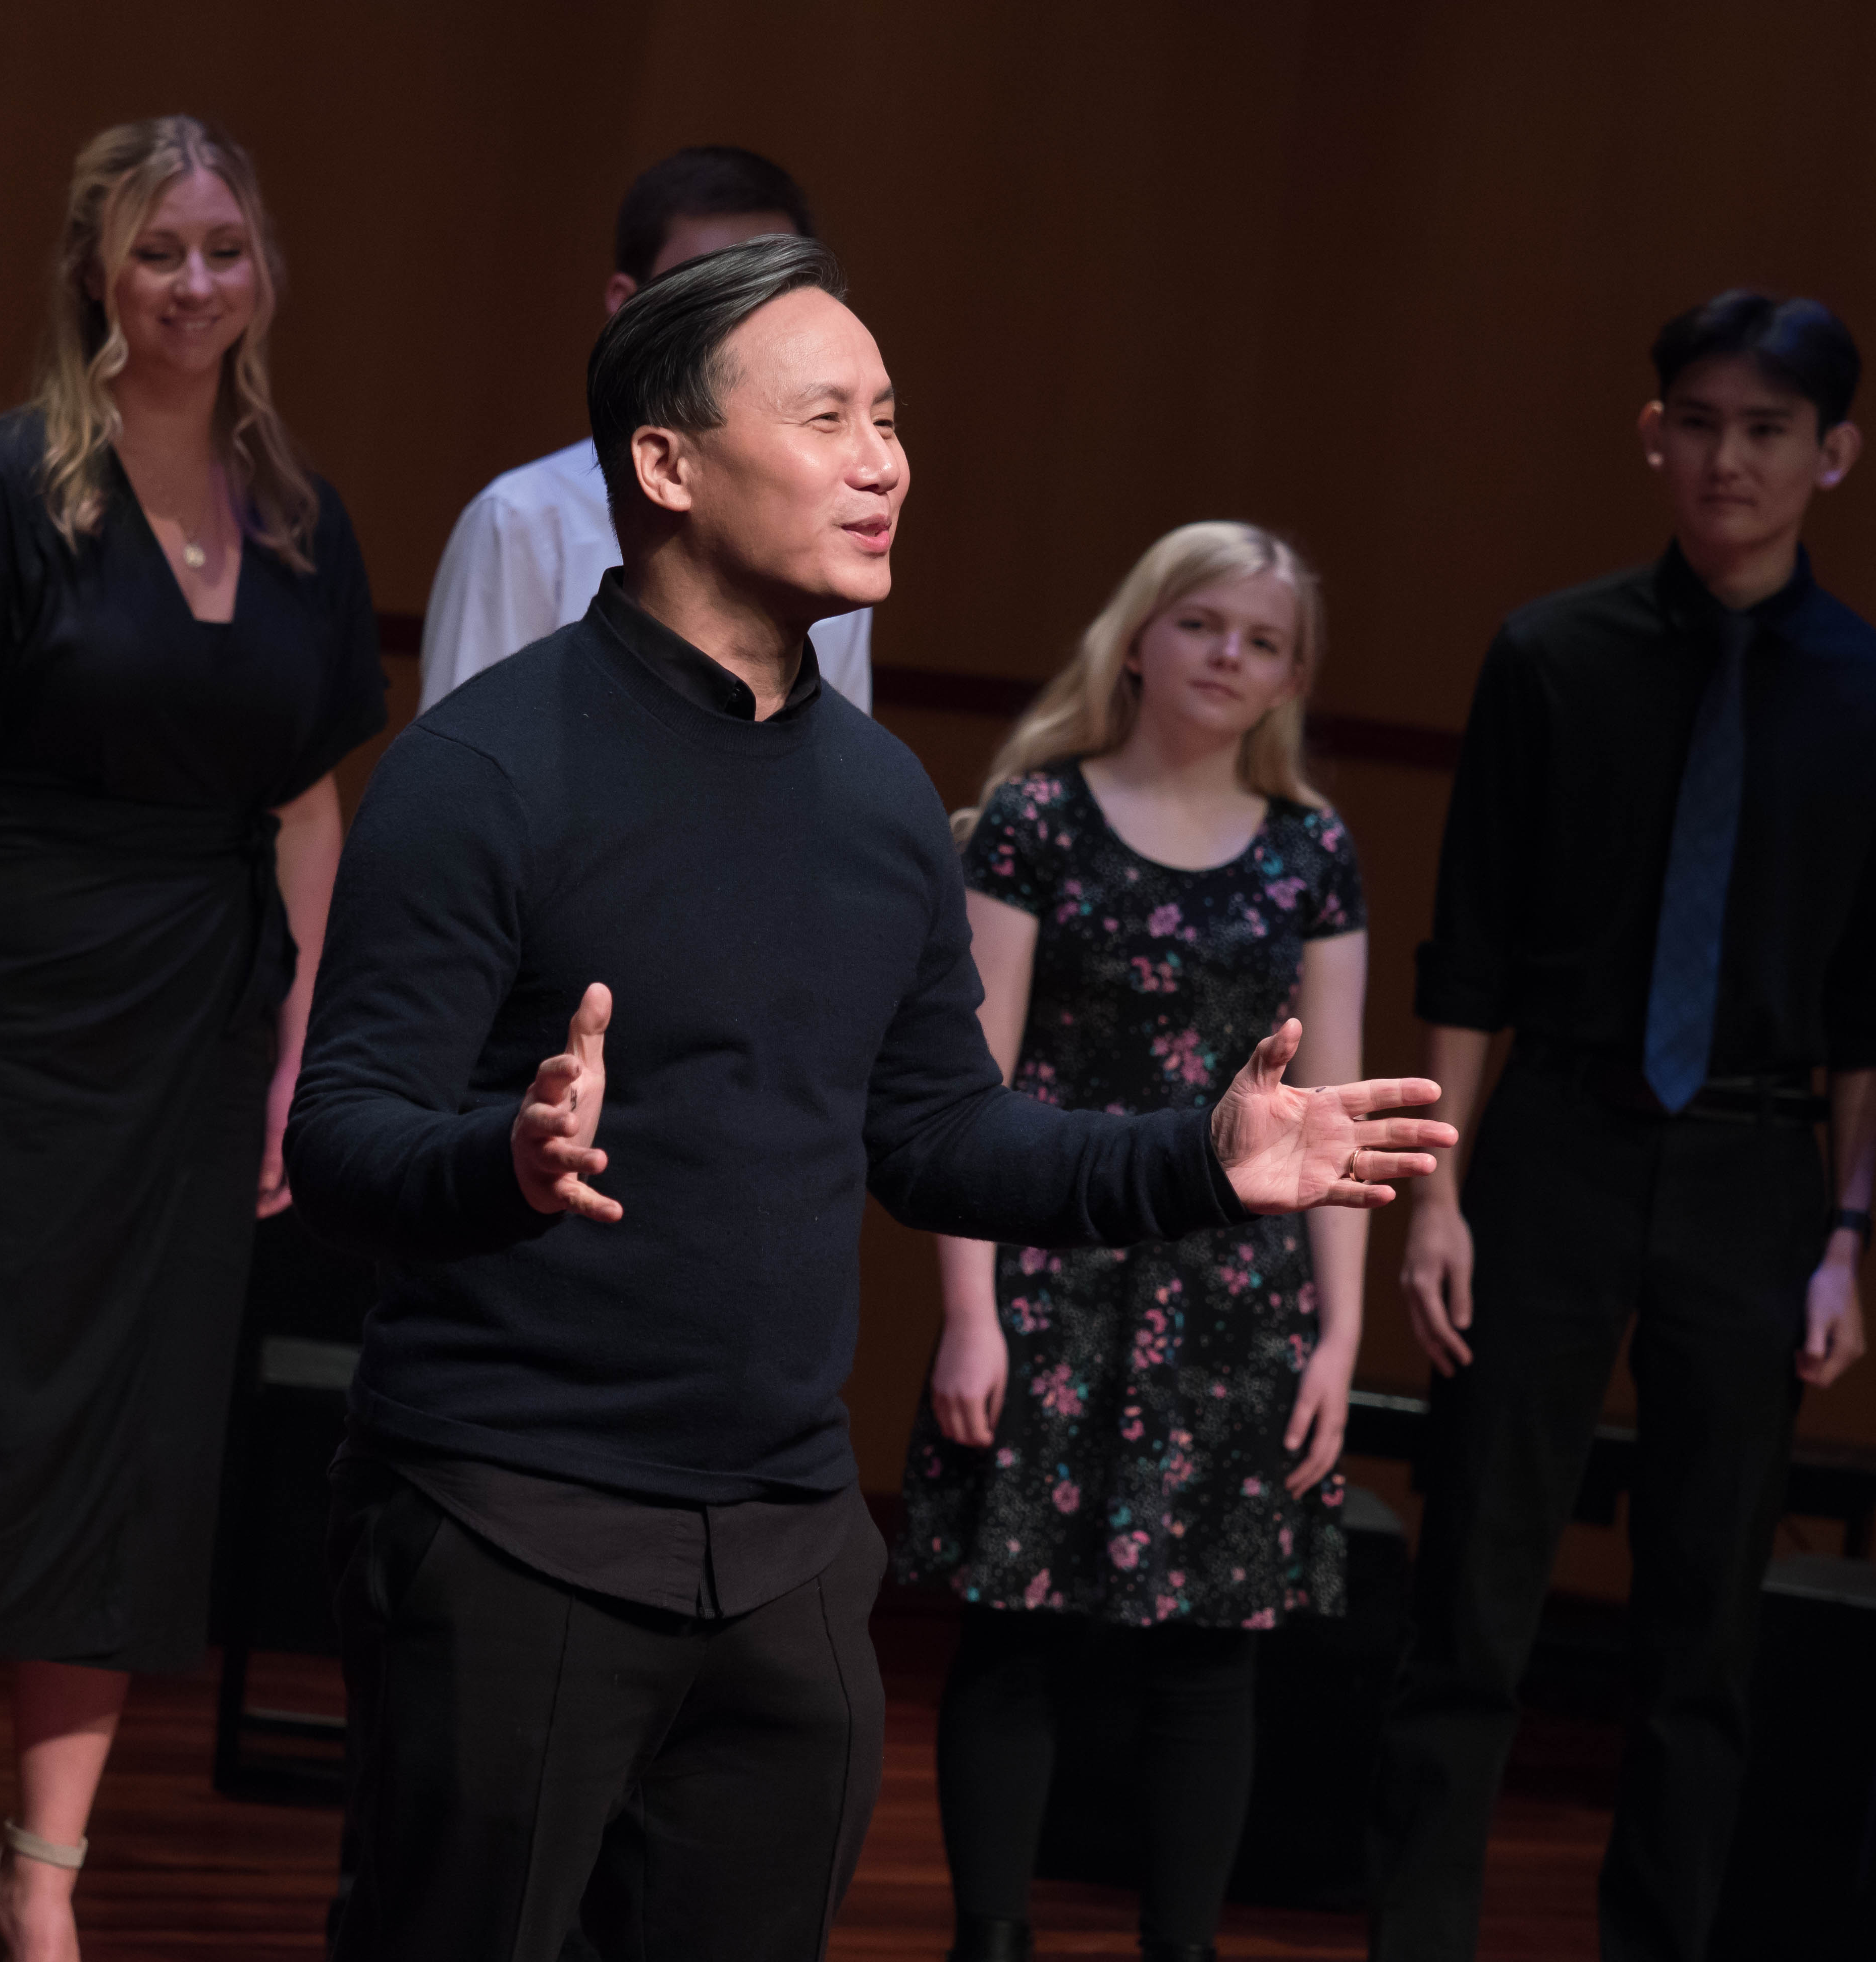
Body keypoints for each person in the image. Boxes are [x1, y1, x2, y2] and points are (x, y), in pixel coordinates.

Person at [286, 234, 1457, 1962]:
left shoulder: (881, 798)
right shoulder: (484, 770)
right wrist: (506, 1154)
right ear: (667, 465)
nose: (883, 460)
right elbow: (341, 1135)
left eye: (890, 418)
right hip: (511, 1514)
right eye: (828, 416)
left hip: (784, 1545)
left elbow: (940, 1133)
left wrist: (1204, 1155)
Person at [0, 117, 384, 1961]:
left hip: (198, 1041)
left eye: (222, 246)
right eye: (157, 252)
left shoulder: (296, 513)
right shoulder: (1, 487)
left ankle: (38, 1877)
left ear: (260, 269)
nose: (194, 282)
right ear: (95, 278)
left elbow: (306, 807)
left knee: (137, 1464)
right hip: (13, 1011)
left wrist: (298, 1054)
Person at [1366, 290, 1876, 1961]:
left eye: (1766, 430)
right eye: (1696, 421)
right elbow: (1466, 943)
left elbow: (1866, 1010)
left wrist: (1846, 1234)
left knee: (1704, 1627)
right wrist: (1443, 1191)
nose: (1726, 458)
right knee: (1475, 1586)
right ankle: (1419, 1934)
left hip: (1757, 1172)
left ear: (1830, 455)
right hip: (1549, 1136)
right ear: (1652, 435)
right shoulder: (1552, 652)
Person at [891, 521, 1368, 1962]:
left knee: (1210, 1656)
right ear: (1143, 637)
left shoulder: (1312, 853)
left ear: (1291, 678)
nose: (1232, 656)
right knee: (1016, 1626)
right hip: (1051, 1261)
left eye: (1265, 640)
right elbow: (975, 1083)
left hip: (1236, 1293)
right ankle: (991, 1936)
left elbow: (1338, 1110)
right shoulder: (1036, 819)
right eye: (1207, 624)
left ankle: (1182, 1945)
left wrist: (1342, 1337)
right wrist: (969, 1309)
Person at [416, 144, 874, 716]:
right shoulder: (524, 518)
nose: (757, 327)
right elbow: (468, 753)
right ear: (627, 306)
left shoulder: (831, 524)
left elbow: (836, 763)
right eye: (713, 298)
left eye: (776, 296)